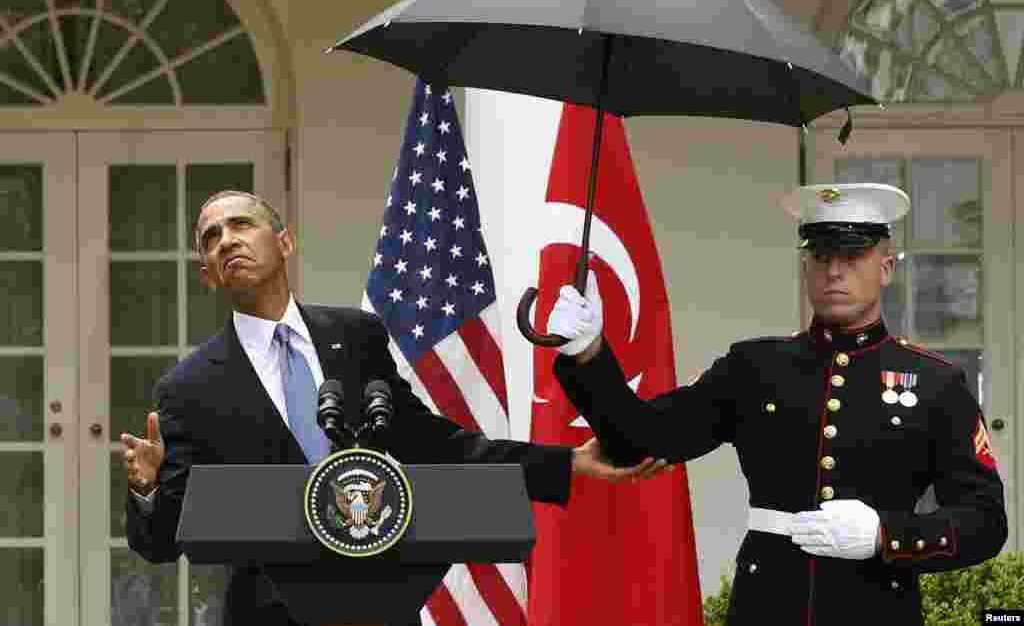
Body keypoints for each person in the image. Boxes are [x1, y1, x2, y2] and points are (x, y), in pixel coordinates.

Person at [119, 190, 661, 626]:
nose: (226, 241)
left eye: (241, 224)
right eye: (210, 238)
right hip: (270, 613)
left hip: (379, 602)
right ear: (207, 274)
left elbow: (433, 442)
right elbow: (162, 541)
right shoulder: (187, 388)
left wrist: (564, 463)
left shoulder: (354, 337)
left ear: (285, 243)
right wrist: (147, 489)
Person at [545, 182, 1007, 626]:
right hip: (767, 605)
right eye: (821, 256)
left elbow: (984, 522)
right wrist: (586, 354)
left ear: (885, 267)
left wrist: (886, 535)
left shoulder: (935, 382)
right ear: (805, 266)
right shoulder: (755, 366)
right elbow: (640, 441)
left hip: (877, 606)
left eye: (852, 255)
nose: (835, 270)